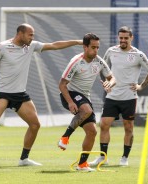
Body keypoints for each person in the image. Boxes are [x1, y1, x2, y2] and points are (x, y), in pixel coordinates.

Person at [0, 23, 83, 167]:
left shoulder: (31, 46)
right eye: (30, 34)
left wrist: (77, 42)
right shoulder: (2, 47)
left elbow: (54, 45)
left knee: (35, 125)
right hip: (2, 93)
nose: (32, 37)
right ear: (20, 33)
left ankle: (24, 159)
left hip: (20, 95)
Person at [89, 26, 148, 167]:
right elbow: (102, 66)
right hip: (112, 96)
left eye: (126, 38)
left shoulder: (138, 54)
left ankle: (124, 157)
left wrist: (141, 86)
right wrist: (106, 82)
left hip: (129, 97)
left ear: (131, 38)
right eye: (121, 38)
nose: (123, 40)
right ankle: (103, 157)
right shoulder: (111, 51)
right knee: (104, 125)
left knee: (128, 127)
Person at [57, 33, 116, 171]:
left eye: (97, 48)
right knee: (87, 110)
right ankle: (65, 137)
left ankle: (82, 164)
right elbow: (62, 85)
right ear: (85, 47)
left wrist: (109, 84)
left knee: (92, 132)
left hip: (84, 97)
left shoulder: (99, 61)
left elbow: (112, 78)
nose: (96, 51)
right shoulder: (76, 61)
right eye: (93, 47)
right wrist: (71, 102)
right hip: (69, 95)